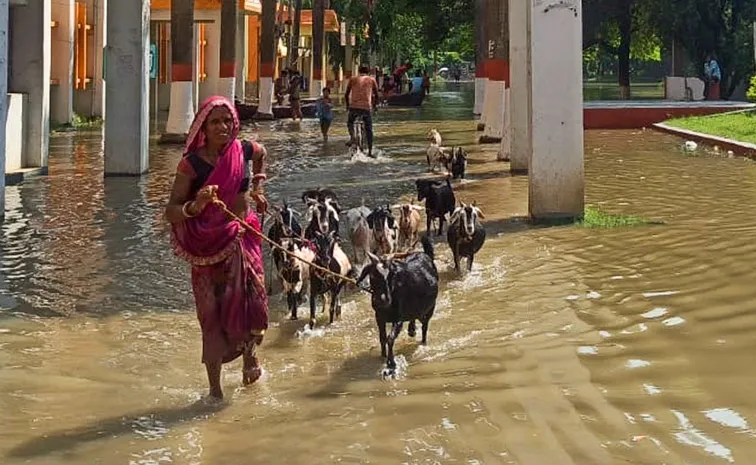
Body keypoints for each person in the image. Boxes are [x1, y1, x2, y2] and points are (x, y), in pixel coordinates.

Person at [166, 95, 270, 401]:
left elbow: (262, 153)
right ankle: (214, 391)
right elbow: (170, 210)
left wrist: (258, 188)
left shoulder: (244, 150)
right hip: (207, 247)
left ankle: (251, 356)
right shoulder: (192, 164)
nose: (223, 127)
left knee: (254, 301)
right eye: (215, 122)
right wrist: (195, 205)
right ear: (204, 128)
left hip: (243, 235)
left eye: (228, 121)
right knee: (211, 315)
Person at [345, 64, 380, 158]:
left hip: (354, 107)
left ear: (359, 71)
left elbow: (346, 94)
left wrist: (348, 106)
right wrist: (375, 106)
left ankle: (352, 137)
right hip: (366, 108)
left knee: (350, 122)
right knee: (369, 130)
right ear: (368, 72)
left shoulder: (353, 79)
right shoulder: (372, 80)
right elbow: (377, 95)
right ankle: (370, 151)